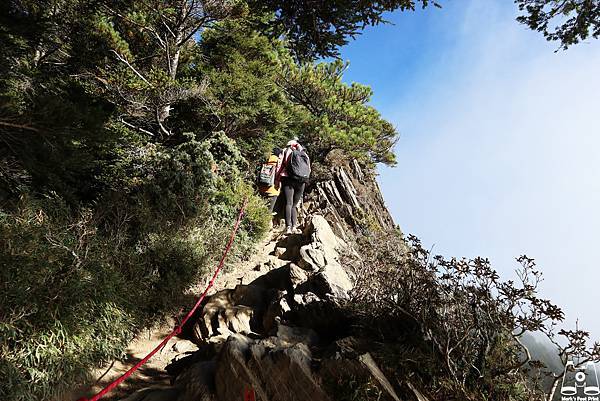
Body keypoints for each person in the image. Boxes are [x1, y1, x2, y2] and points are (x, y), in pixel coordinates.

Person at [276, 139, 311, 234]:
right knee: (295, 205)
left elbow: (279, 165)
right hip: (301, 181)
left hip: (288, 179)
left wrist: (277, 179)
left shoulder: (286, 151)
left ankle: (288, 227)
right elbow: (308, 168)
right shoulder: (303, 153)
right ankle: (294, 227)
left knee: (289, 203)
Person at [257, 147, 283, 215]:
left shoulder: (266, 160)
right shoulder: (279, 162)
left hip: (262, 187)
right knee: (269, 210)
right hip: (273, 189)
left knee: (261, 208)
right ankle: (265, 223)